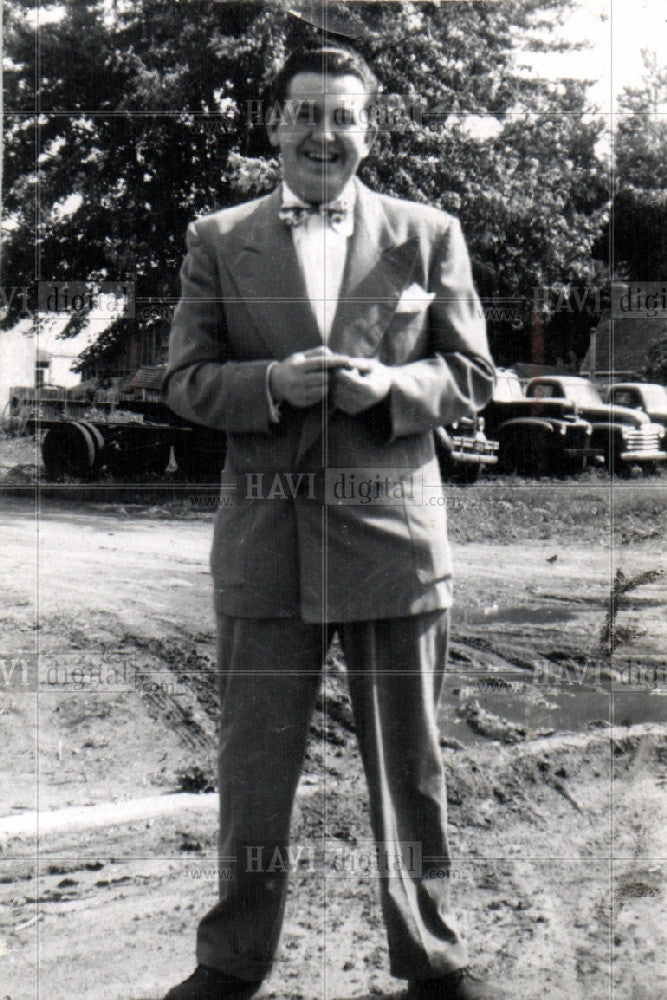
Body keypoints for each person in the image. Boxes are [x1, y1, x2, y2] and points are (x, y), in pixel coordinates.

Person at [162, 43, 503, 1000]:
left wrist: (392, 385)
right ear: (273, 125)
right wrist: (266, 383)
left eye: (342, 116)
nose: (323, 134)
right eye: (304, 114)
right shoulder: (217, 237)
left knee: (411, 766)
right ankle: (230, 963)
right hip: (266, 544)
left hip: (395, 542)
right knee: (253, 766)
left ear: (368, 130)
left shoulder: (428, 232)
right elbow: (185, 381)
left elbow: (472, 376)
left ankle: (431, 955)